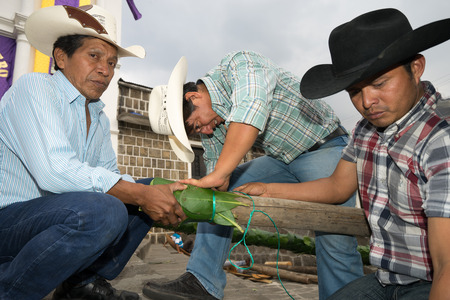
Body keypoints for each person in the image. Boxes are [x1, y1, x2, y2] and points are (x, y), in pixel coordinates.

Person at [235, 8, 450, 299]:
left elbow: (446, 265)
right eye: (354, 91)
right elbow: (337, 187)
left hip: (430, 283)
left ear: (416, 67)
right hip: (386, 280)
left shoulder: (440, 140)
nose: (367, 101)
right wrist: (267, 189)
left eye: (379, 83)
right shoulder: (366, 130)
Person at [0, 5, 187, 300]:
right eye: (94, 56)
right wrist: (138, 195)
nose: (105, 70)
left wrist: (153, 194)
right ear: (61, 57)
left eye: (112, 63)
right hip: (8, 222)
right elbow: (55, 171)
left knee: (150, 189)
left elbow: (110, 177)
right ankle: (10, 291)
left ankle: (81, 283)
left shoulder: (98, 115)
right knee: (109, 209)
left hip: (55, 218)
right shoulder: (35, 88)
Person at [144, 50, 364, 300]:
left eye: (197, 124)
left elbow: (252, 105)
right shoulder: (213, 126)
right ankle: (202, 282)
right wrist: (203, 192)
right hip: (280, 161)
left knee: (334, 236)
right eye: (197, 132)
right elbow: (220, 178)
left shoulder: (240, 65)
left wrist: (218, 175)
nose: (205, 130)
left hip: (323, 147)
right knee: (213, 200)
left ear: (194, 96)